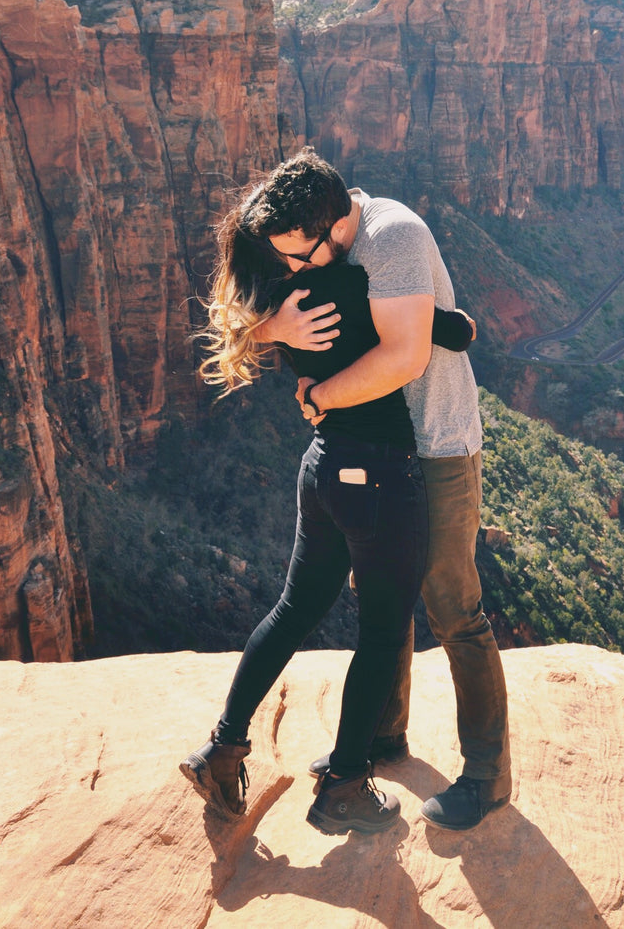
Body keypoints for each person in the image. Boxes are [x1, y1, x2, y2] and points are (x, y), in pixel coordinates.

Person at [181, 193, 473, 835]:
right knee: (382, 630)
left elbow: (237, 328)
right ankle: (343, 786)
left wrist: (274, 336)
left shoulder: (278, 303)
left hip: (321, 468)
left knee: (293, 609)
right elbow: (452, 332)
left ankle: (222, 748)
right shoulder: (349, 282)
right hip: (379, 475)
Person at [247, 149, 511, 831]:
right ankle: (380, 739)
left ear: (335, 228)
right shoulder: (326, 243)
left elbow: (405, 355)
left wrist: (321, 397)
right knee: (385, 602)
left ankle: (486, 774)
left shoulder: (392, 236)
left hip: (437, 445)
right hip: (381, 452)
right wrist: (275, 326)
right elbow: (248, 313)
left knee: (453, 606)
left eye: (301, 258)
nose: (294, 272)